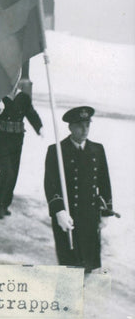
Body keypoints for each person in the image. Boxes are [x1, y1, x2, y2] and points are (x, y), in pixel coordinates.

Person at [44, 106, 113, 273]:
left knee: (89, 263)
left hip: (90, 215)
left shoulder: (97, 150)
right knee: (70, 264)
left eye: (87, 125)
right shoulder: (57, 151)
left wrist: (105, 212)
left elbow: (105, 183)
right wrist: (59, 211)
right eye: (80, 126)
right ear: (70, 127)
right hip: (68, 215)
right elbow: (50, 184)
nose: (84, 130)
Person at [0, 80, 43, 219]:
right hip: (1, 139)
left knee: (13, 173)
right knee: (6, 171)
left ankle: (5, 204)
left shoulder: (23, 97)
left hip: (17, 140)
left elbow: (31, 113)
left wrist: (39, 127)